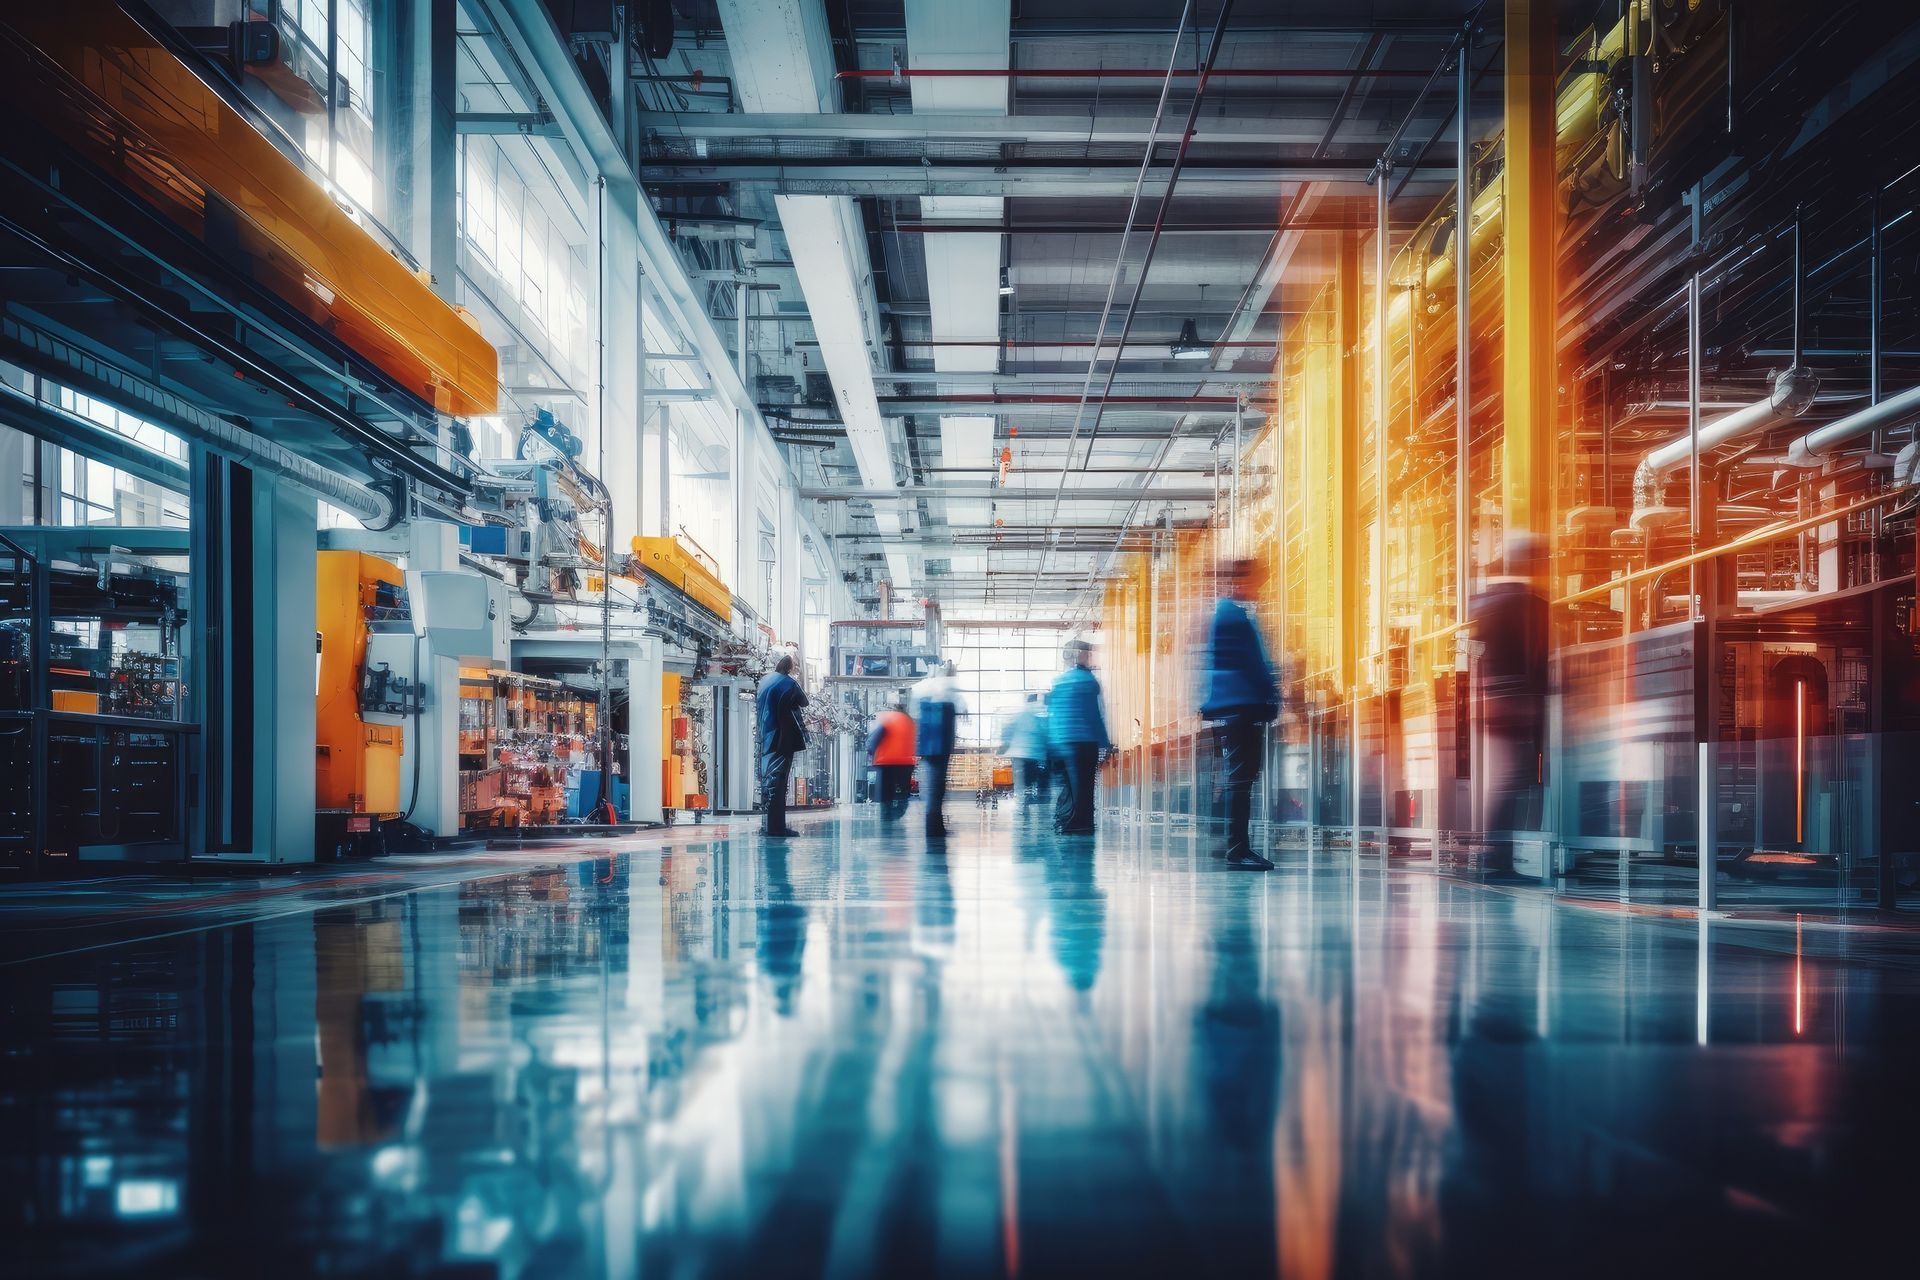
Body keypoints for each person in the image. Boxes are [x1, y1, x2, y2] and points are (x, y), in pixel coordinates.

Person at [1471, 530, 1549, 876]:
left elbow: (1479, 653)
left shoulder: (1492, 602)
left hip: (1501, 702)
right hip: (1518, 702)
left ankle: (1498, 854)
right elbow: (1537, 656)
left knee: (1513, 780)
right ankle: (1497, 857)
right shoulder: (1530, 604)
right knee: (1516, 780)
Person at [1201, 558, 1281, 871]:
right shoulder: (1232, 617)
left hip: (1237, 705)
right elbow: (1252, 666)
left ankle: (1233, 844)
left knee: (1239, 779)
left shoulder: (1229, 615)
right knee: (1240, 780)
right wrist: (1271, 696)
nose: (1259, 589)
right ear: (1238, 581)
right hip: (1242, 705)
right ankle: (1238, 848)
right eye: (1256, 581)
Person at [1047, 639, 1112, 835]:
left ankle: (1065, 819)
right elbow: (1094, 715)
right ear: (1080, 655)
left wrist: (1052, 744)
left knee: (1069, 785)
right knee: (1084, 786)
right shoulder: (1088, 681)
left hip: (1060, 742)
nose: (1090, 656)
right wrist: (1105, 744)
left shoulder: (1059, 682)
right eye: (1088, 653)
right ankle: (1080, 824)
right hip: (1083, 741)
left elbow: (1053, 714)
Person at [755, 653, 809, 837]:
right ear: (789, 668)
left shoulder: (764, 681)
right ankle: (777, 828)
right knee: (779, 783)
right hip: (783, 738)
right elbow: (804, 702)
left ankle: (768, 825)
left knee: (767, 782)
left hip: (765, 737)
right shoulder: (789, 682)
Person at [912, 659, 966, 838]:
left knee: (936, 789)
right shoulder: (942, 693)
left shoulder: (926, 693)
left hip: (933, 748)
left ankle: (936, 827)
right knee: (936, 789)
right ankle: (934, 830)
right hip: (938, 747)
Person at [864, 690, 917, 822]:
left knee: (885, 795)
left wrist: (871, 753)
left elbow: (873, 740)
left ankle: (887, 819)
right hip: (905, 763)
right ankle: (898, 813)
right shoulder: (910, 722)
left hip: (886, 762)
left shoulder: (889, 719)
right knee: (903, 794)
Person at [1000, 691, 1050, 810]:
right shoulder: (1037, 718)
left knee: (1021, 782)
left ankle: (1022, 804)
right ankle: (1028, 800)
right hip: (1033, 754)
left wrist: (1006, 743)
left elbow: (1007, 730)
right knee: (1031, 779)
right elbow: (1043, 735)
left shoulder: (1019, 716)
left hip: (1019, 754)